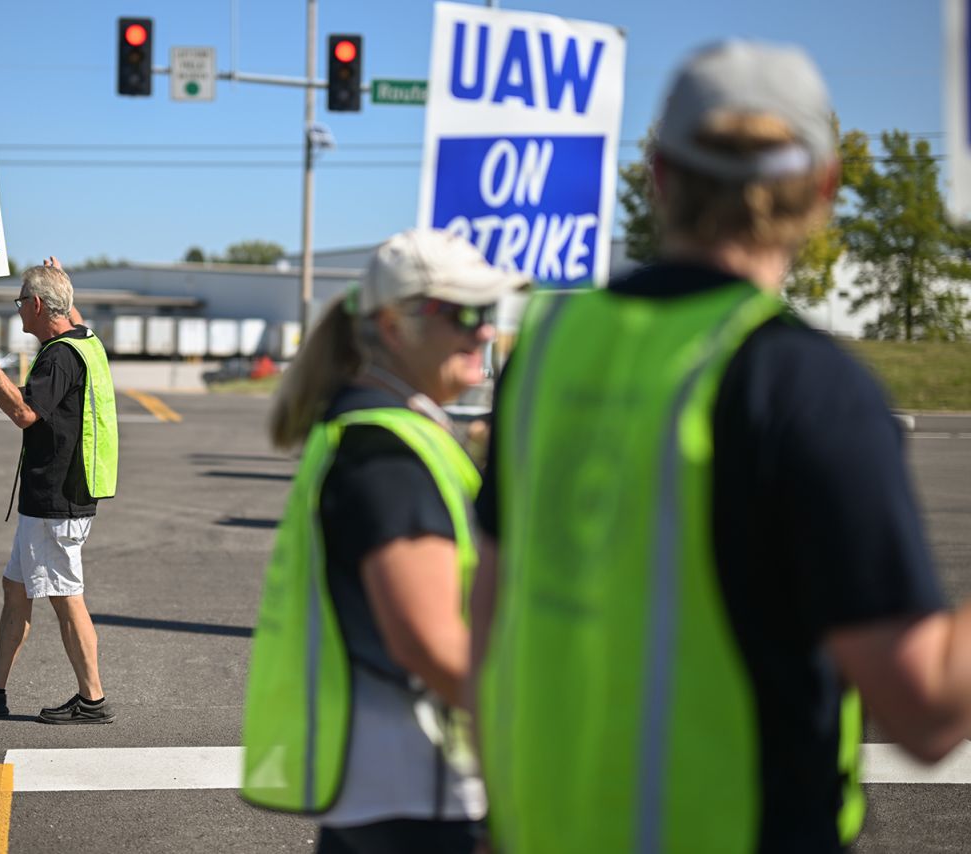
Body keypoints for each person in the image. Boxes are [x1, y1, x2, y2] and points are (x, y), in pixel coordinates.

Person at [471, 40, 971, 852]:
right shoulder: (806, 387)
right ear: (823, 188)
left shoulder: (548, 346)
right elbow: (926, 709)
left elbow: (489, 623)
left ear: (660, 176)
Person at [240, 229, 528, 853]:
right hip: (417, 797)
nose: (485, 330)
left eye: (490, 313)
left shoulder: (386, 431)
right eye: (464, 313)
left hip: (385, 791)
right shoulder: (385, 456)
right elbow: (431, 644)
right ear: (394, 327)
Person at [0, 258, 119, 724]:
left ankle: (92, 699)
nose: (19, 309)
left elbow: (23, 413)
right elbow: (71, 311)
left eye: (22, 301)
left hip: (58, 499)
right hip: (60, 494)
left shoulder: (60, 355)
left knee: (66, 596)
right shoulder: (85, 340)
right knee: (15, 587)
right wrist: (62, 281)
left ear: (38, 305)